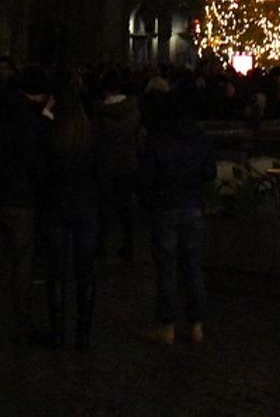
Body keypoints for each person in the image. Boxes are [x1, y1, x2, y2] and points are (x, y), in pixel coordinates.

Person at [0, 63, 46, 344]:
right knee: (22, 261)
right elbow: (33, 160)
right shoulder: (31, 118)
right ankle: (22, 321)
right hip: (21, 198)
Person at [138, 83, 216, 344]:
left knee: (167, 266)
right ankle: (196, 324)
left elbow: (147, 176)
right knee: (192, 265)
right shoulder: (201, 138)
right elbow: (210, 173)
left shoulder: (158, 138)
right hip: (192, 204)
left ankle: (167, 324)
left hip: (165, 204)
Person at [39, 72, 99, 348]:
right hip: (85, 208)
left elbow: (40, 167)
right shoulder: (90, 133)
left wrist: (45, 114)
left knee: (57, 271)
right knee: (85, 272)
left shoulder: (52, 133)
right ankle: (84, 334)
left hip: (57, 207)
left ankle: (58, 331)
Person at [92, 70, 140, 261]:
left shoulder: (100, 113)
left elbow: (94, 138)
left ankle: (101, 245)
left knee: (104, 206)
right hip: (128, 162)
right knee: (126, 206)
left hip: (105, 163)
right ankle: (128, 245)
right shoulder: (133, 111)